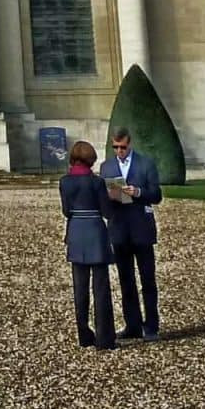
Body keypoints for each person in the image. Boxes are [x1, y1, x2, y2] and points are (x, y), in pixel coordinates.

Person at [99, 128, 162, 341]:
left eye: (122, 147)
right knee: (126, 280)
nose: (119, 151)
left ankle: (151, 326)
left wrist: (139, 192)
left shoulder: (145, 164)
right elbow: (103, 200)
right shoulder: (106, 167)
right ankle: (132, 325)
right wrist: (109, 197)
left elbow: (157, 195)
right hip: (118, 227)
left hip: (141, 227)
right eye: (115, 147)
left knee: (147, 280)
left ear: (130, 144)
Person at [59, 139, 117, 350]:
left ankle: (84, 334)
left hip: (76, 231)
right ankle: (105, 339)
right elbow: (107, 212)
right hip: (94, 229)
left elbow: (66, 211)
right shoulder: (96, 182)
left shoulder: (65, 181)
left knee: (80, 289)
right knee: (100, 288)